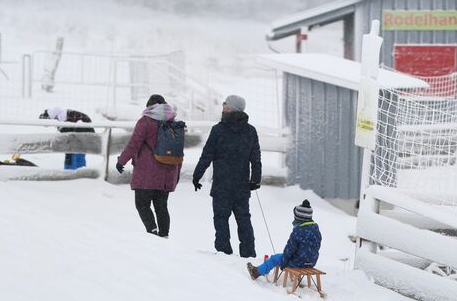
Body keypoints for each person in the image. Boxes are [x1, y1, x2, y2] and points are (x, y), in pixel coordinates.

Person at [193, 94, 262, 257]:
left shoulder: (218, 130)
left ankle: (224, 253)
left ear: (230, 108)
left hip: (222, 184)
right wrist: (255, 179)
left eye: (225, 103)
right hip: (241, 185)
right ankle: (248, 253)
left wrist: (197, 176)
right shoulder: (250, 131)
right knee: (244, 219)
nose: (222, 105)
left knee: (221, 219)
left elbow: (206, 155)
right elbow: (256, 158)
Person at [115, 94, 183, 238]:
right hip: (168, 173)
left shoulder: (145, 121)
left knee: (142, 204)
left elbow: (134, 144)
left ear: (149, 107)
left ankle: (152, 232)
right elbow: (178, 152)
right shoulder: (174, 123)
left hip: (147, 173)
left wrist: (121, 161)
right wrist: (177, 174)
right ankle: (164, 235)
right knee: (161, 207)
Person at [247, 199, 321, 280]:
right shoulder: (316, 229)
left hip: (297, 262)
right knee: (293, 255)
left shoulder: (298, 231)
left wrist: (284, 262)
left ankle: (256, 272)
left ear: (298, 218)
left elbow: (290, 249)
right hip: (311, 262)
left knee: (274, 259)